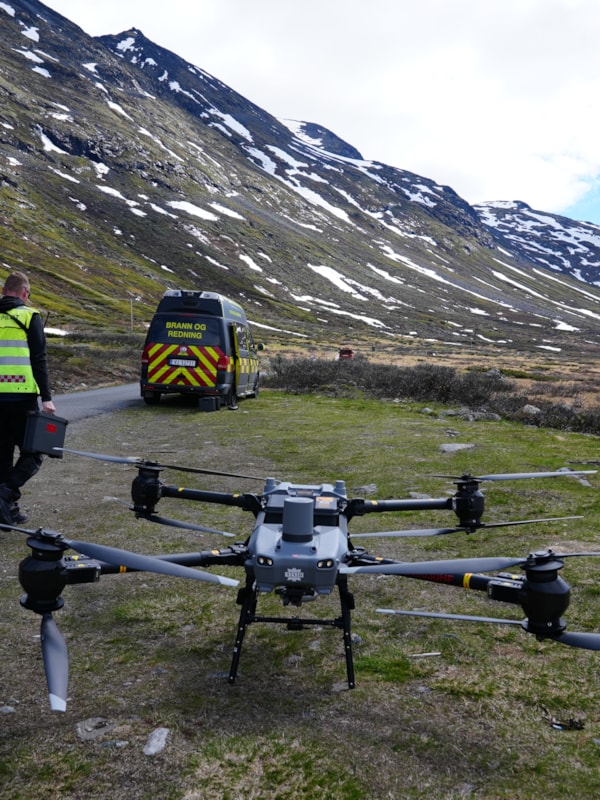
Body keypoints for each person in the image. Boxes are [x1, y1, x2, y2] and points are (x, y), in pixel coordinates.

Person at [0, 271, 56, 525]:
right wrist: (47, 397)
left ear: (4, 291)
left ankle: (7, 510)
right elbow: (39, 360)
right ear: (24, 293)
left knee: (2, 455)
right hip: (22, 397)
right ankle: (5, 496)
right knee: (34, 452)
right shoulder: (29, 316)